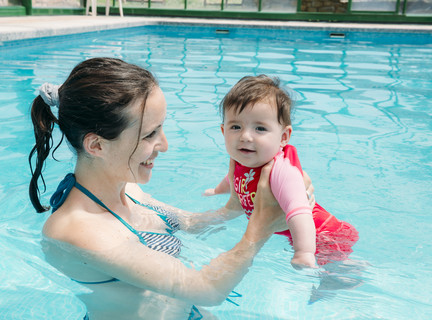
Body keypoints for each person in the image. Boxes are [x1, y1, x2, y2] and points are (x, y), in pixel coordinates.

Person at [28, 58, 314, 320]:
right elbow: (206, 289)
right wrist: (261, 227)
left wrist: (249, 200)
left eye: (161, 129)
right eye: (150, 134)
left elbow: (190, 223)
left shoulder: (129, 190)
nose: (164, 145)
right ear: (97, 145)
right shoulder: (77, 229)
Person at [204, 75, 359, 268]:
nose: (245, 136)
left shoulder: (281, 171)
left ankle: (356, 268)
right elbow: (232, 180)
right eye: (235, 126)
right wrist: (217, 191)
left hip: (323, 235)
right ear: (222, 131)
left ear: (284, 137)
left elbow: (299, 210)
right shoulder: (243, 161)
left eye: (260, 128)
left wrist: (303, 252)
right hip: (296, 234)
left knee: (337, 272)